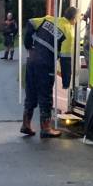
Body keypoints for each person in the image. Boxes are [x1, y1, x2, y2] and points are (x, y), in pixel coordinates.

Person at [21, 7, 76, 138]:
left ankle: (26, 124)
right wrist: (66, 81)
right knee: (45, 96)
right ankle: (46, 128)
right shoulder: (68, 32)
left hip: (31, 61)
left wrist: (28, 45)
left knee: (31, 93)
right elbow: (65, 59)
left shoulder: (49, 19)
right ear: (74, 19)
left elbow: (30, 23)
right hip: (45, 65)